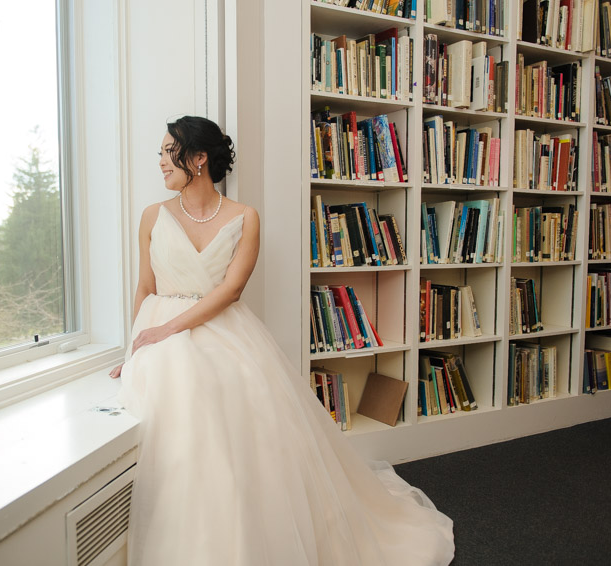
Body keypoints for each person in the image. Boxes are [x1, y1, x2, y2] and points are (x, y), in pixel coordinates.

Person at [110, 115, 454, 565]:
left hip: (219, 328)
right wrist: (136, 346)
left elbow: (230, 291)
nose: (159, 162)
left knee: (234, 399)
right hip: (160, 334)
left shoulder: (244, 217)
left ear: (197, 158)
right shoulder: (152, 216)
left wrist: (167, 330)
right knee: (181, 405)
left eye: (166, 152)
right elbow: (145, 287)